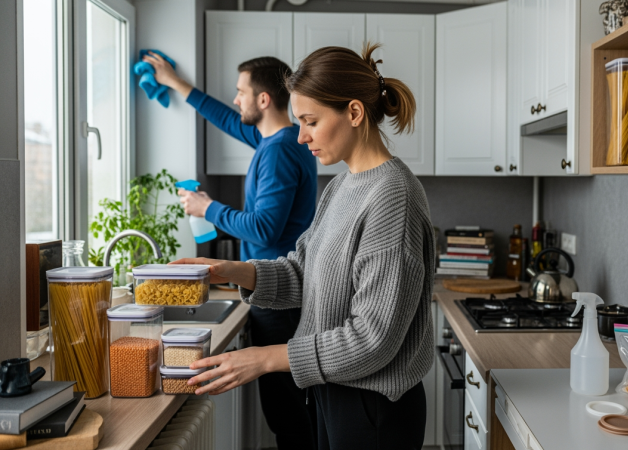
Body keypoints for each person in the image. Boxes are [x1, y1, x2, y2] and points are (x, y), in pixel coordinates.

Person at [170, 42, 435, 450]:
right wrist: (235, 271)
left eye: (310, 121)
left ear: (354, 112)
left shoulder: (391, 197)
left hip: (374, 407)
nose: (301, 136)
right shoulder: (343, 185)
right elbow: (304, 270)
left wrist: (265, 359)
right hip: (335, 390)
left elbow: (372, 338)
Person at [142, 53, 318, 449]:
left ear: (263, 100)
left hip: (279, 296)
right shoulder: (278, 139)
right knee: (292, 410)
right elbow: (224, 117)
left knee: (287, 414)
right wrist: (175, 82)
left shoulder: (278, 152)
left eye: (241, 92)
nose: (236, 100)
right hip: (279, 289)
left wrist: (208, 208)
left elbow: (264, 227)